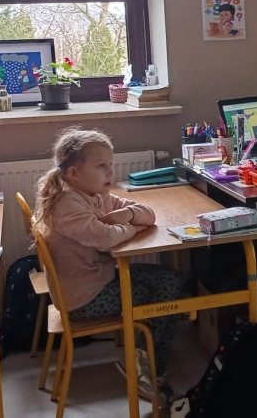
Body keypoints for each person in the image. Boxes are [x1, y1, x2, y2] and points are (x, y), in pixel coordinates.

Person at [34, 127, 179, 401]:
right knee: (166, 289)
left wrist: (127, 214)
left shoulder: (97, 194)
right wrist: (132, 228)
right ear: (74, 173)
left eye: (111, 164)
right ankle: (145, 367)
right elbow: (106, 239)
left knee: (169, 278)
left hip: (99, 281)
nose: (111, 172)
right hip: (83, 299)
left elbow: (149, 215)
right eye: (101, 166)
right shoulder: (66, 204)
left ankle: (143, 355)